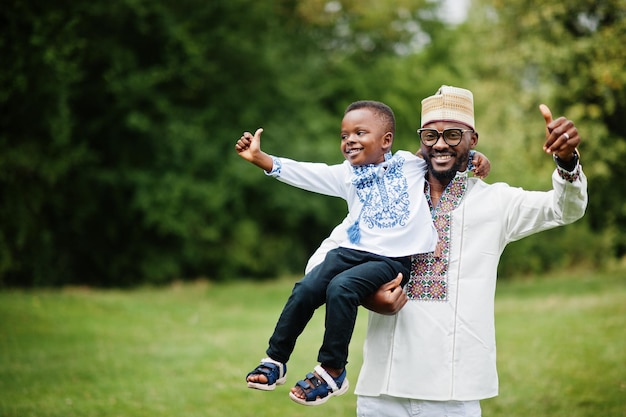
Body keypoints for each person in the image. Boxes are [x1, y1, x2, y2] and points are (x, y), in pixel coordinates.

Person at [305, 85, 588, 417]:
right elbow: (321, 261)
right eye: (430, 135)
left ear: (473, 139)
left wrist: (566, 160)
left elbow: (565, 209)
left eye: (453, 135)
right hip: (382, 389)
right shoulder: (389, 198)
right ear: (420, 140)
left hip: (455, 391)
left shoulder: (496, 202)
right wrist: (366, 296)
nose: (440, 143)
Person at [234, 100, 490, 406]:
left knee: (342, 289)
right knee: (306, 288)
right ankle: (275, 360)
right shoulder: (347, 175)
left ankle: (332, 369)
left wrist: (476, 158)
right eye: (344, 136)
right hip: (349, 251)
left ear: (386, 141)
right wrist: (261, 158)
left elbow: (444, 152)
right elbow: (307, 173)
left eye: (359, 133)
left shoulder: (410, 164)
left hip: (391, 260)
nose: (349, 140)